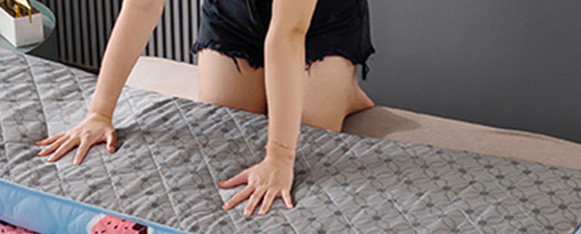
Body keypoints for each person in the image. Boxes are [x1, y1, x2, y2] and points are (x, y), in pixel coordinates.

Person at [36, 0, 375, 217]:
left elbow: (288, 32)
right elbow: (141, 5)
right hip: (234, 15)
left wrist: (280, 156)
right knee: (229, 123)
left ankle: (344, 89)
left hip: (318, 22)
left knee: (309, 128)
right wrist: (99, 113)